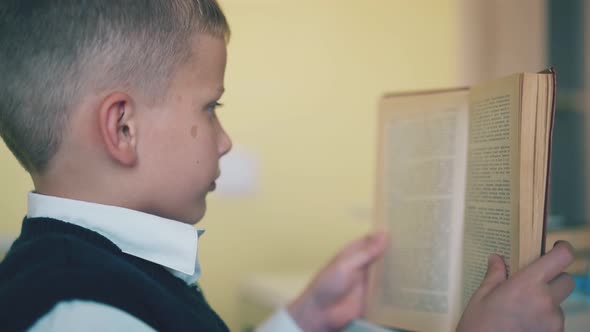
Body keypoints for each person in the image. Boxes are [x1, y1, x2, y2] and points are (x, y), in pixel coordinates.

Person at [0, 1, 575, 331]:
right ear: (122, 128)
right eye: (211, 106)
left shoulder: (92, 272)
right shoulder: (82, 316)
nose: (224, 142)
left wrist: (302, 318)